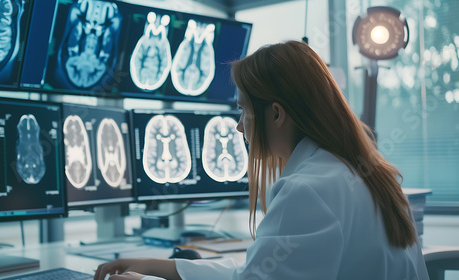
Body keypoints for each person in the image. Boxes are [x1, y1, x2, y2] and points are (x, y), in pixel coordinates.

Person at [94, 40, 429, 280]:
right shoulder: (361, 174)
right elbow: (255, 274)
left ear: (277, 114)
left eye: (242, 109)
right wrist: (160, 267)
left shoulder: (308, 190)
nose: (238, 125)